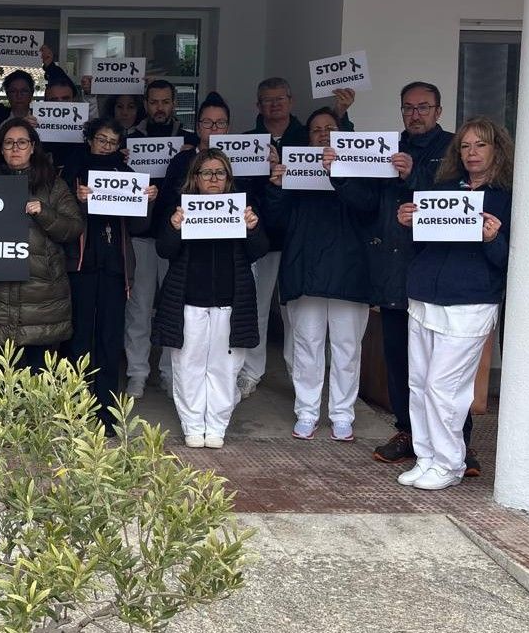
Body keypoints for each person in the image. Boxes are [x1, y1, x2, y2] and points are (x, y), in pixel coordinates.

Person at [335, 82, 471, 470]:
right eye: (408, 108)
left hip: (437, 272)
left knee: (445, 367)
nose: (415, 114)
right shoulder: (387, 147)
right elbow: (366, 204)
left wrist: (414, 176)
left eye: (423, 107)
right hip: (394, 273)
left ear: (438, 111)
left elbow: (458, 202)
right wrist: (339, 175)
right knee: (399, 361)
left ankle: (459, 440)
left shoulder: (454, 149)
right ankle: (407, 432)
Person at [394, 117, 512, 491]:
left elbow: (511, 261)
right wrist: (408, 223)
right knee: (419, 384)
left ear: (497, 149)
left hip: (469, 302)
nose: (472, 152)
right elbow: (423, 245)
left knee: (443, 386)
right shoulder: (443, 189)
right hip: (425, 296)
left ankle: (449, 463)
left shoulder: (507, 197)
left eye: (480, 145)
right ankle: (426, 457)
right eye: (465, 146)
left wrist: (493, 239)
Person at [238, 77, 355, 400]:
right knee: (257, 308)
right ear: (258, 105)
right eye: (267, 99)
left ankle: (298, 374)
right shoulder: (246, 141)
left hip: (298, 240)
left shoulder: (306, 136)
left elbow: (344, 151)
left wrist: (342, 114)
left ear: (291, 101)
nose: (274, 104)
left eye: (280, 98)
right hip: (260, 237)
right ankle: (251, 372)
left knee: (295, 314)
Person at [267, 108, 372, 442]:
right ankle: (307, 412)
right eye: (316, 129)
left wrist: (339, 174)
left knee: (346, 348)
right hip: (305, 269)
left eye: (330, 127)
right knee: (306, 346)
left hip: (349, 271)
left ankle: (342, 414)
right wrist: (277, 187)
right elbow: (277, 221)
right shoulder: (296, 171)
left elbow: (368, 208)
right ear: (308, 138)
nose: (323, 133)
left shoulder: (361, 169)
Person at [153, 149, 268, 448]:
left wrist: (253, 227)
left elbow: (259, 250)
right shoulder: (182, 208)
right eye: (206, 173)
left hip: (230, 303)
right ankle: (192, 426)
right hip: (188, 302)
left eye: (219, 173)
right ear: (195, 178)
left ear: (228, 179)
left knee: (225, 369)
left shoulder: (241, 209)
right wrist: (174, 227)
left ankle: (216, 426)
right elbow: (164, 250)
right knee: (187, 367)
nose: (213, 179)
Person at [62, 118, 156, 434]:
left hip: (116, 268)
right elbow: (62, 222)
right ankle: (76, 409)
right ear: (90, 140)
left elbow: (140, 227)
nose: (106, 147)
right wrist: (79, 201)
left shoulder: (127, 175)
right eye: (101, 139)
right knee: (79, 337)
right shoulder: (73, 172)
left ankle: (106, 411)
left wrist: (148, 202)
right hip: (81, 266)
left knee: (110, 338)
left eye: (112, 142)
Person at [0, 118, 83, 369]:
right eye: (9, 143)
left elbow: (74, 228)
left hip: (43, 297)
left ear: (33, 147)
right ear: (0, 149)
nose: (15, 148)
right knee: (2, 381)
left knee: (38, 379)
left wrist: (44, 212)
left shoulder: (53, 184)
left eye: (22, 142)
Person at [124, 80, 200, 398]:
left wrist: (188, 158)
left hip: (177, 236)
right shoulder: (129, 139)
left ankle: (170, 373)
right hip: (140, 235)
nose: (159, 107)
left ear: (174, 103)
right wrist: (121, 161)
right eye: (154, 102)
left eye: (165, 101)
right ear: (146, 103)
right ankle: (137, 373)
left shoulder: (190, 142)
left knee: (173, 308)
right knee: (138, 308)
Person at [0, 39, 76, 160]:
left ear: (31, 93)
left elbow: (67, 90)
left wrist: (50, 66)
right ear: (7, 94)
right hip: (1, 169)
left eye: (24, 91)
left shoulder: (44, 116)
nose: (19, 95)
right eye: (13, 91)